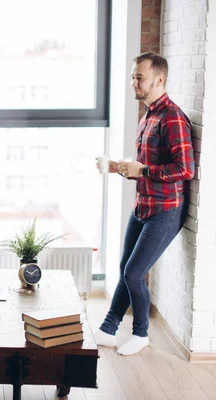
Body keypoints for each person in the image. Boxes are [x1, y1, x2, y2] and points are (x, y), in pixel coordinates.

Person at [94, 52, 195, 356]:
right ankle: (108, 329)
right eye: (132, 76)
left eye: (139, 77)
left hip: (165, 211)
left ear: (159, 79)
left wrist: (145, 171)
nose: (133, 82)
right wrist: (120, 167)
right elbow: (145, 166)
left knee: (133, 274)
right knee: (126, 268)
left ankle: (141, 334)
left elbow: (185, 169)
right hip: (143, 206)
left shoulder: (172, 117)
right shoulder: (149, 114)